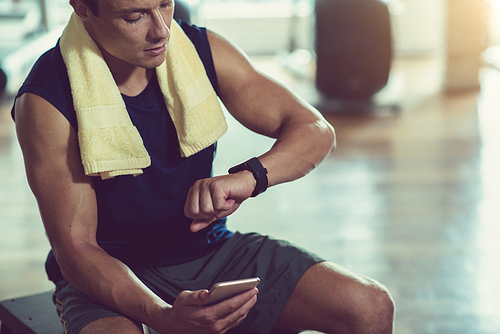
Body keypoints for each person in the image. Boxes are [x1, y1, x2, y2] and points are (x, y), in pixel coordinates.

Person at [12, 0, 394, 333]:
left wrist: (250, 177)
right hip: (108, 273)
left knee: (369, 306)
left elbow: (315, 130)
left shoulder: (198, 49)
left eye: (165, 3)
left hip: (211, 253)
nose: (161, 30)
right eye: (134, 17)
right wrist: (163, 317)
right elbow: (77, 249)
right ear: (82, 8)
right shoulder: (47, 99)